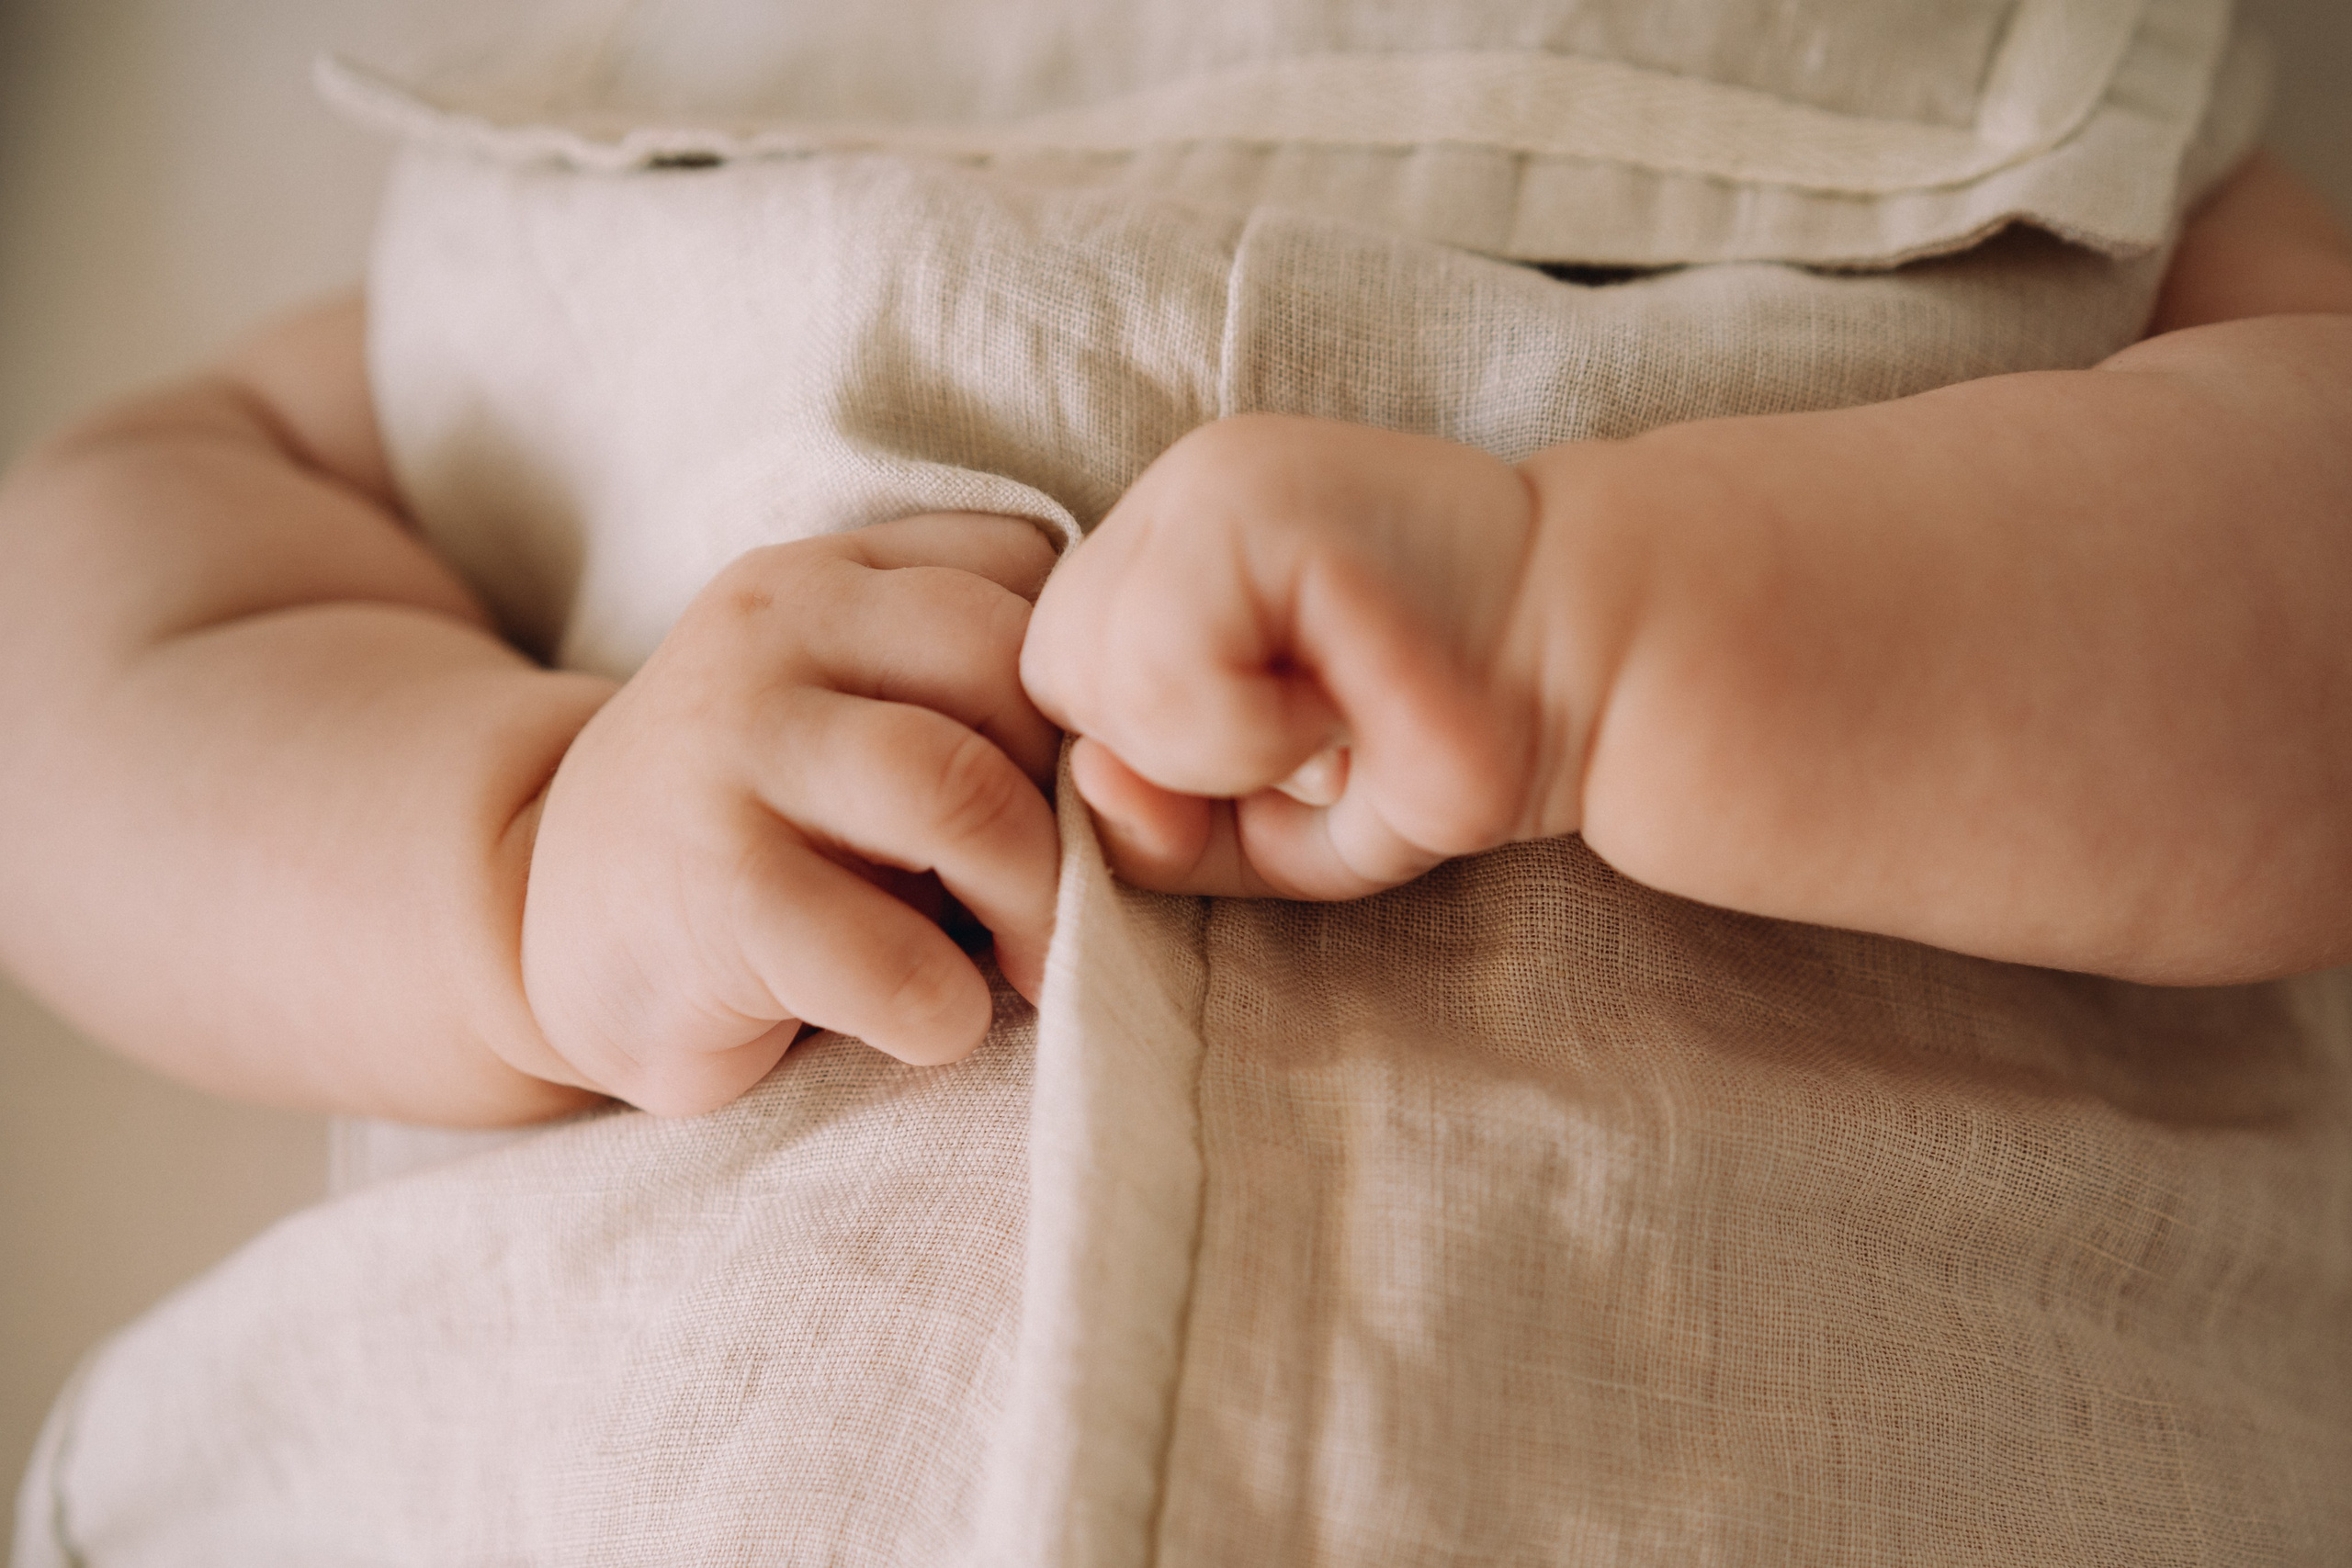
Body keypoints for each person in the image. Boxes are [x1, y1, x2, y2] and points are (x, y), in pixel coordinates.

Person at [0, 150, 2348, 1126]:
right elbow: (79, 616)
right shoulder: (612, 161)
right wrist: (515, 866)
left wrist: (1605, 632)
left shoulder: (2056, 112)